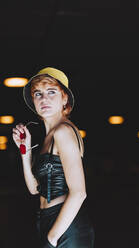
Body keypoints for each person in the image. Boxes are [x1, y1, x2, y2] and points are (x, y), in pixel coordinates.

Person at [12, 67, 95, 248]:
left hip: (66, 226)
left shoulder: (63, 131)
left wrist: (52, 237)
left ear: (64, 98)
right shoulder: (50, 136)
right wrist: (25, 152)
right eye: (38, 94)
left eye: (51, 92)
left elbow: (79, 192)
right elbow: (35, 190)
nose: (44, 99)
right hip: (49, 222)